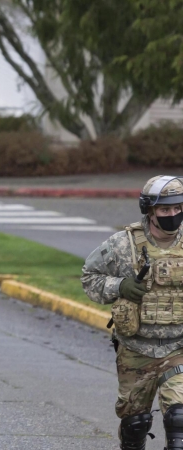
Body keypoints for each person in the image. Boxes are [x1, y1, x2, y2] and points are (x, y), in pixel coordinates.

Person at [82, 175, 183, 450]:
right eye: (165, 209)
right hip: (135, 350)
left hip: (178, 347)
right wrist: (120, 286)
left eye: (178, 208)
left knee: (179, 418)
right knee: (135, 424)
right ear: (150, 210)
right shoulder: (123, 244)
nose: (173, 215)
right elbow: (89, 277)